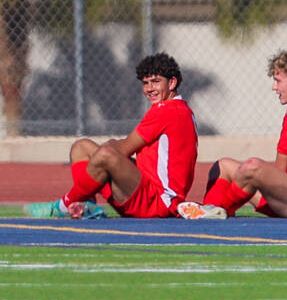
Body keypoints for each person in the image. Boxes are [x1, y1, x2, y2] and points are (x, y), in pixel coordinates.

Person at [177, 49, 287, 219]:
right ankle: (209, 211)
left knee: (253, 167)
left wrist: (254, 183)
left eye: (278, 81)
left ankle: (219, 210)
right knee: (223, 165)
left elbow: (281, 171)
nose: (274, 87)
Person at [25, 52, 198, 219]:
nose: (149, 88)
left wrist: (111, 145)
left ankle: (62, 206)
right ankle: (84, 207)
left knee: (106, 153)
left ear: (172, 82)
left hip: (158, 202)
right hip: (144, 191)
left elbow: (125, 149)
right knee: (81, 147)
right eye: (145, 83)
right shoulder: (181, 109)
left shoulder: (166, 111)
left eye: (155, 81)